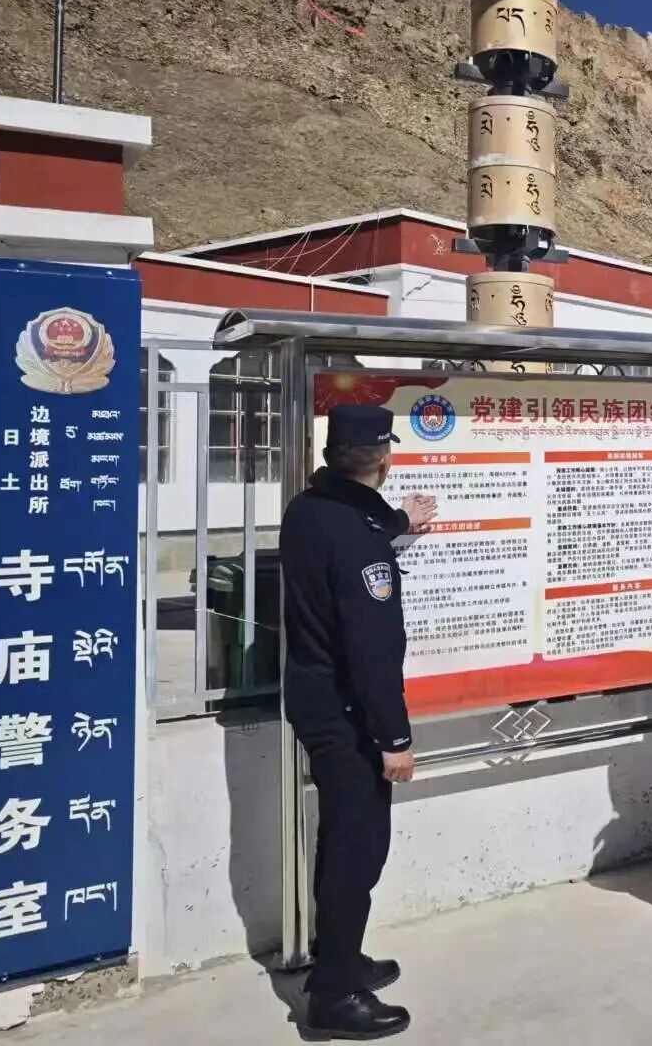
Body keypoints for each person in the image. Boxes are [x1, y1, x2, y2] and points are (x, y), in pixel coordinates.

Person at [281, 404, 437, 1040]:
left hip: (314, 700)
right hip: (350, 715)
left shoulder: (307, 511)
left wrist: (401, 521)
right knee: (360, 848)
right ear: (384, 460)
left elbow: (358, 520)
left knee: (339, 838)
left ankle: (338, 958)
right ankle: (335, 998)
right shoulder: (360, 539)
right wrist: (394, 740)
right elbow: (373, 651)